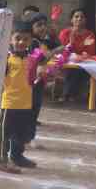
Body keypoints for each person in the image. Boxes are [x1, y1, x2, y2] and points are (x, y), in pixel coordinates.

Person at [0, 21, 39, 173]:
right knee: (5, 134)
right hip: (8, 104)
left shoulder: (31, 59)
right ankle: (2, 160)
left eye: (25, 39)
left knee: (21, 134)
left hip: (25, 103)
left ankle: (17, 156)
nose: (21, 42)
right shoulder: (6, 59)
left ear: (31, 41)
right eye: (18, 38)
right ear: (10, 39)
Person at [28, 12, 61, 142]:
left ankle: (31, 127)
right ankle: (26, 129)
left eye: (44, 25)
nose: (43, 28)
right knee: (31, 103)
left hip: (40, 77)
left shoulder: (44, 40)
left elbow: (60, 46)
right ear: (31, 27)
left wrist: (55, 35)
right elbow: (41, 58)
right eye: (39, 25)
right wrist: (54, 52)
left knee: (37, 103)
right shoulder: (32, 41)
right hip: (31, 77)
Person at [58, 8, 96, 102]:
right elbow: (62, 50)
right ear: (71, 20)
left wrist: (84, 54)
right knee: (73, 70)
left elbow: (90, 51)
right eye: (76, 16)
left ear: (85, 20)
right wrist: (71, 42)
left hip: (83, 61)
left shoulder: (89, 34)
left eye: (82, 17)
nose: (79, 19)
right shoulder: (65, 33)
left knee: (80, 70)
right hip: (66, 61)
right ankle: (68, 95)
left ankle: (68, 95)